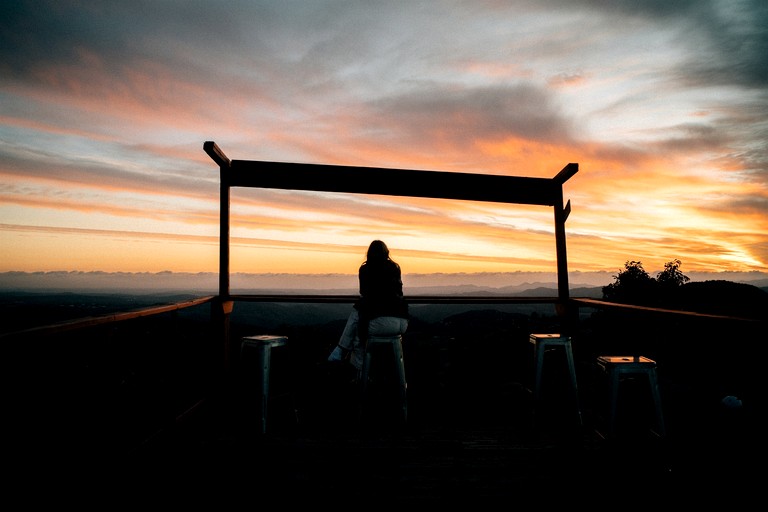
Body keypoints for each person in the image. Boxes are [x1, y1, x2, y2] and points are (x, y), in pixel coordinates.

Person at [328, 240, 409, 371]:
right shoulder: (395, 268)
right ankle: (342, 351)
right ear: (387, 253)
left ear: (369, 254)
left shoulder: (365, 269)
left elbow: (363, 292)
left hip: (379, 323)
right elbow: (399, 291)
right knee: (359, 317)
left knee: (358, 330)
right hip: (401, 323)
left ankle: (359, 373)